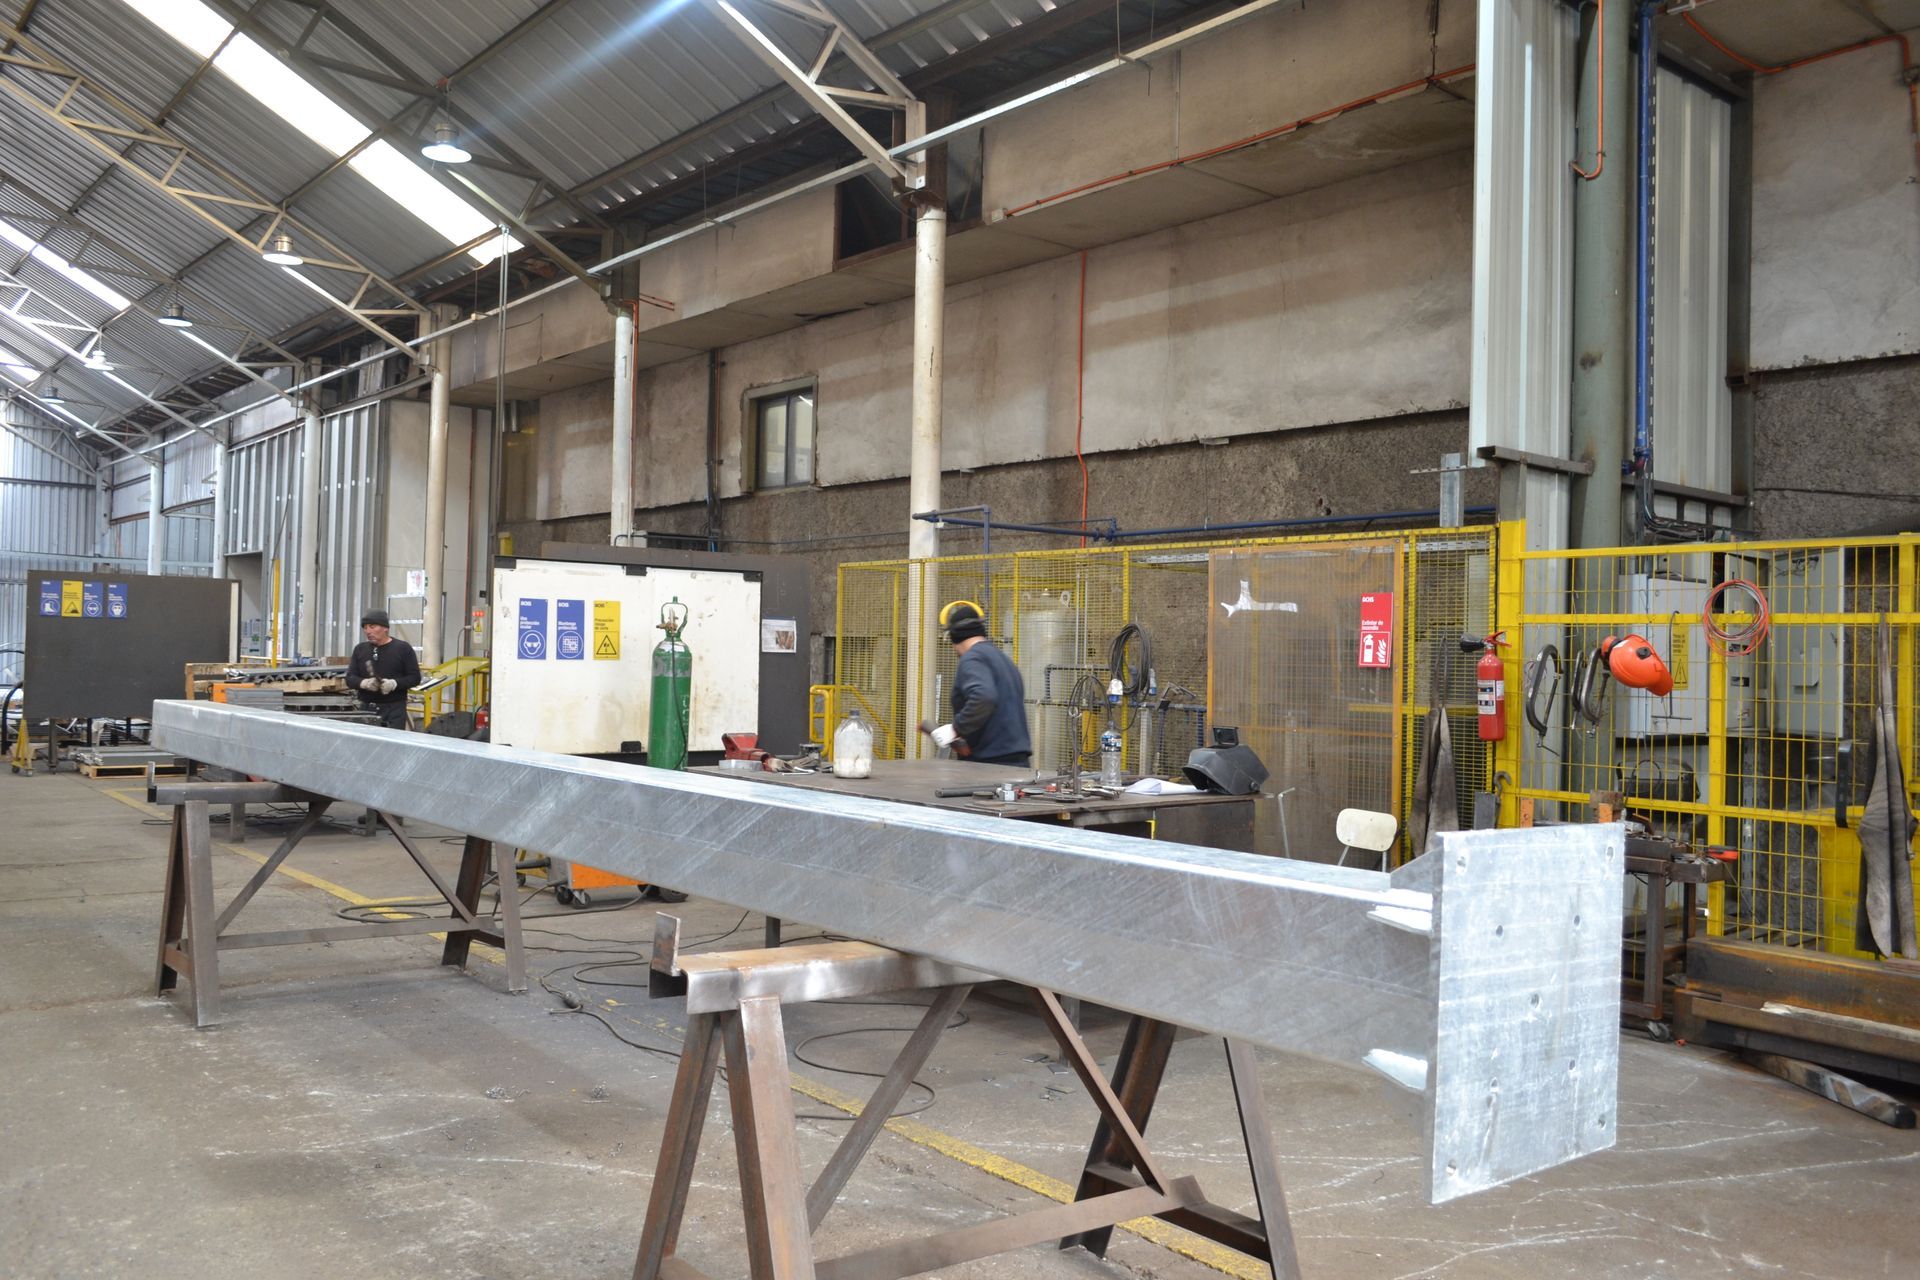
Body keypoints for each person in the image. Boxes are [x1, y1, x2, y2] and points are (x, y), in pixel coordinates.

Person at [930, 600, 1031, 767]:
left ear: (953, 637)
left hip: (989, 765)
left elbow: (984, 697)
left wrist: (956, 728)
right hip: (1017, 762)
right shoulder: (1003, 660)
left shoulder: (972, 658)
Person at [350, 609, 420, 730]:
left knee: (392, 741)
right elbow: (350, 678)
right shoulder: (360, 650)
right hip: (366, 710)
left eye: (372, 627)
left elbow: (415, 678)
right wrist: (364, 683)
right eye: (365, 628)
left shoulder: (403, 649)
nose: (368, 631)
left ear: (385, 628)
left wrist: (394, 684)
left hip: (394, 711)